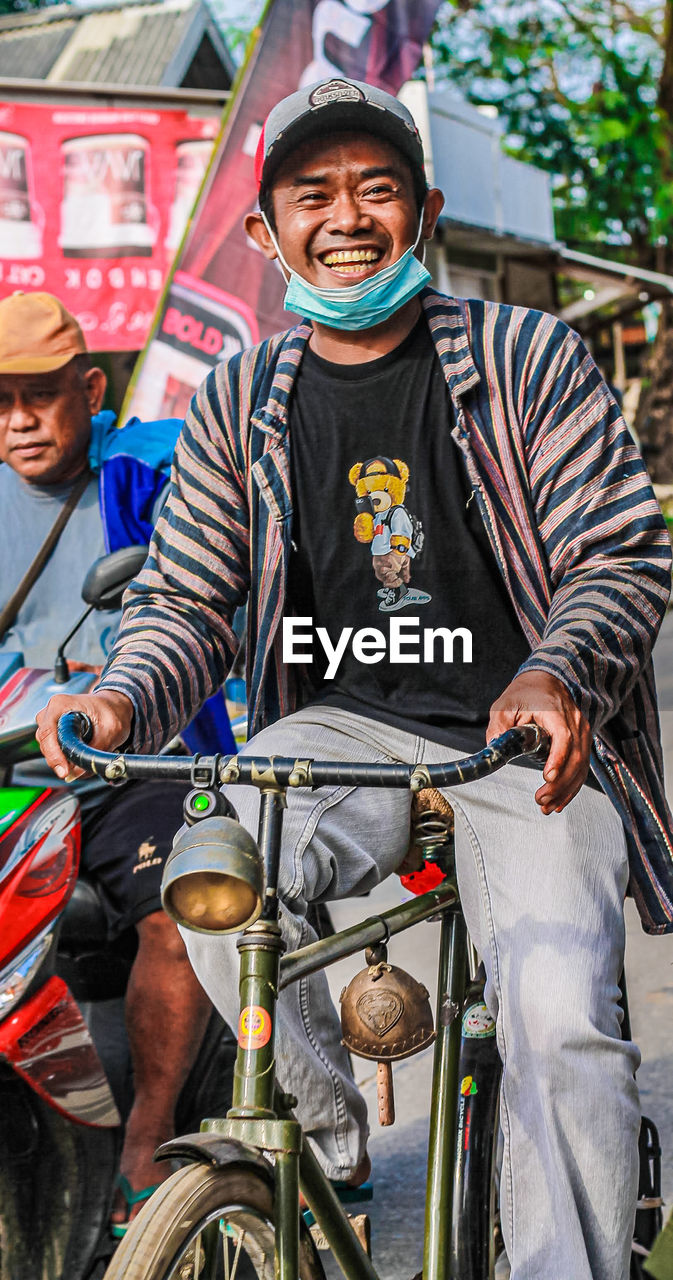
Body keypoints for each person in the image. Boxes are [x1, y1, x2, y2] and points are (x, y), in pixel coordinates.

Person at [36, 79, 673, 1279]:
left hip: (520, 745)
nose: (346, 216)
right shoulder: (237, 399)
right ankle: (321, 1147)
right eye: (311, 193)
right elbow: (185, 600)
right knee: (207, 876)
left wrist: (555, 673)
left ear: (423, 209)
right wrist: (120, 696)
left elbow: (618, 552)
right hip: (332, 735)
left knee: (556, 1017)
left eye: (375, 187)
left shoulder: (525, 353)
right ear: (266, 233)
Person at [0, 290, 214, 1231]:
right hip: (14, 773)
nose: (18, 420)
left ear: (90, 390)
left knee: (187, 906)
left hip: (138, 771)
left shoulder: (148, 473)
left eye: (39, 397)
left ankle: (144, 1146)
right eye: (0, 399)